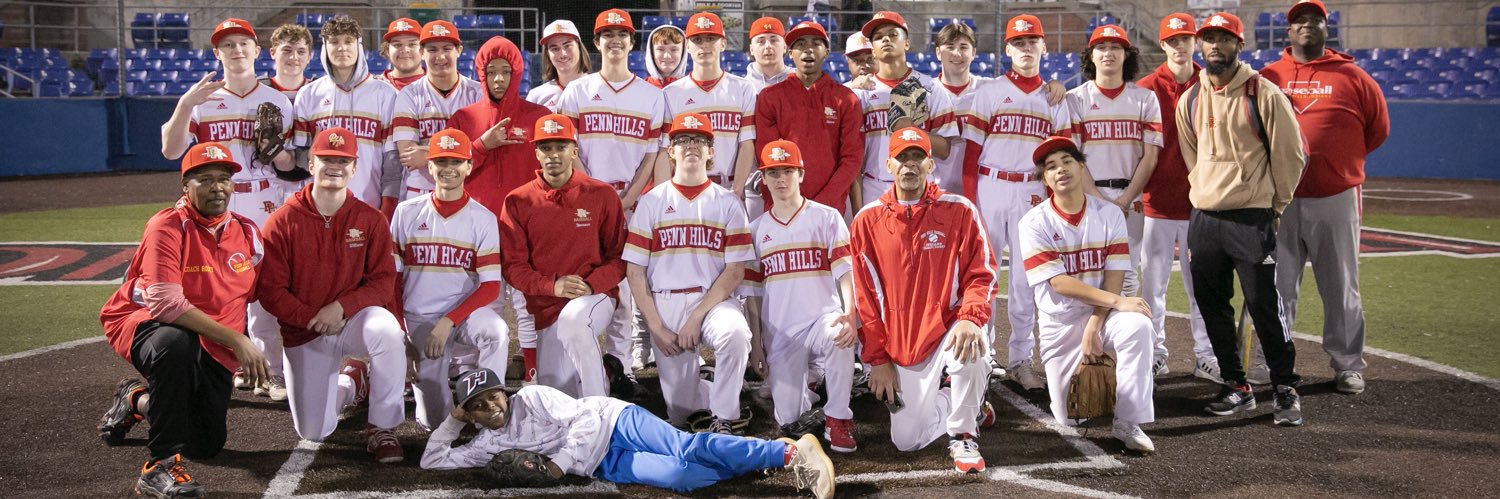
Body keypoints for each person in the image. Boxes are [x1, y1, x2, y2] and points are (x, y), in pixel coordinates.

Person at [97, 142, 270, 498]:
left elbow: (262, 292)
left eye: (223, 179)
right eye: (205, 180)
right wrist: (238, 340)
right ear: (185, 186)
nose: (217, 187)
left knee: (205, 444)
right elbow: (166, 304)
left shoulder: (247, 232)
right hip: (146, 322)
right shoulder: (167, 226)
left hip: (214, 343)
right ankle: (159, 467)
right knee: (176, 344)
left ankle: (136, 399)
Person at [1174, 12, 1307, 426]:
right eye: (1209, 38)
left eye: (1224, 38)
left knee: (1264, 304)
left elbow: (1291, 156)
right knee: (1212, 305)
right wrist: (1206, 189)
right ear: (1201, 45)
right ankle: (1236, 385)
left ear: (1239, 44)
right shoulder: (1190, 99)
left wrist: (1275, 206)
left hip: (1251, 218)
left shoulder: (1264, 94)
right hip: (1205, 219)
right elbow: (1192, 156)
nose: (1215, 45)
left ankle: (1284, 387)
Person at [420, 368, 836, 498]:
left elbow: (584, 422)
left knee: (686, 447)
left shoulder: (532, 397)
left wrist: (559, 464)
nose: (491, 407)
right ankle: (745, 460)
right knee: (684, 477)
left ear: (504, 393)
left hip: (613, 420)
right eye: (478, 406)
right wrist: (454, 420)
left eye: (493, 396)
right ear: (471, 414)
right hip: (602, 463)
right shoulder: (484, 443)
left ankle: (787, 453)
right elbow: (432, 460)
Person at [158, 18, 294, 402]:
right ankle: (223, 368)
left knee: (265, 287)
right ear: (217, 53)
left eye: (243, 43)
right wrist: (186, 104)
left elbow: (288, 163)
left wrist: (277, 151)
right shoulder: (203, 100)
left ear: (256, 51)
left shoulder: (278, 101)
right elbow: (170, 149)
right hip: (218, 203)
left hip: (264, 198)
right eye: (228, 45)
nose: (237, 50)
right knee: (216, 286)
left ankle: (271, 371)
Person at [1261, 0, 1389, 395]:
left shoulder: (1354, 77)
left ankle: (1348, 365)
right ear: (1288, 30)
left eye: (1314, 19)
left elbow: (1377, 130)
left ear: (1326, 27)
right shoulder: (1268, 76)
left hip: (1335, 196)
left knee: (1341, 286)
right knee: (1276, 287)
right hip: (1279, 199)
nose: (1306, 25)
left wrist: (1337, 163)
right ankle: (1273, 364)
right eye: (1299, 20)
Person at [851, 127, 997, 473]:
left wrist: (969, 318)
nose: (910, 164)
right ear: (889, 165)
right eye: (902, 157)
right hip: (902, 343)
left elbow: (982, 273)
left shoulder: (959, 210)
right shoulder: (866, 221)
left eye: (918, 156)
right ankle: (966, 401)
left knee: (972, 347)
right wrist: (877, 359)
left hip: (949, 327)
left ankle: (963, 434)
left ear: (931, 164)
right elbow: (865, 299)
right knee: (907, 439)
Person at [257, 127, 409, 461]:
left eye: (343, 161)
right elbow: (271, 292)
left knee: (387, 330)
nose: (334, 167)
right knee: (314, 431)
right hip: (305, 329)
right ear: (311, 164)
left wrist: (341, 307)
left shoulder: (370, 219)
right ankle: (352, 383)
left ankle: (383, 427)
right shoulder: (281, 222)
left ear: (354, 168)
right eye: (326, 159)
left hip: (353, 321)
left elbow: (383, 282)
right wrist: (312, 318)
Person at [1019, 136, 1158, 454]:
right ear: (1045, 180)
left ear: (1082, 168)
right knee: (1069, 418)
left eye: (1067, 161)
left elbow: (1115, 277)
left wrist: (1095, 325)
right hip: (1061, 322)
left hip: (1102, 313)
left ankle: (1128, 420)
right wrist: (1117, 302)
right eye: (1051, 167)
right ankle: (1100, 385)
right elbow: (1060, 283)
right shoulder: (1033, 222)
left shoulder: (1109, 214)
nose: (1061, 169)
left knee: (1138, 325)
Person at [962, 14, 1075, 393]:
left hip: (1032, 190)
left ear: (1044, 47)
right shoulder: (990, 91)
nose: (1026, 49)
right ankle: (983, 354)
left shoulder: (1055, 98)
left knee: (1027, 281)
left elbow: (1062, 160)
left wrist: (1055, 203)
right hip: (990, 184)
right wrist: (970, 203)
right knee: (984, 275)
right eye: (1019, 43)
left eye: (1032, 42)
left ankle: (1021, 359)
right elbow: (970, 153)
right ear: (1008, 49)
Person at [555, 8, 670, 380]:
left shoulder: (651, 96)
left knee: (625, 281)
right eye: (608, 34)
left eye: (622, 34)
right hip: (585, 199)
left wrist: (630, 197)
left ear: (632, 42)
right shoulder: (578, 90)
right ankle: (579, 364)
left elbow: (652, 154)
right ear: (596, 42)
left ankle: (620, 365)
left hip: (630, 201)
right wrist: (597, 193)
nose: (615, 40)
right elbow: (568, 149)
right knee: (582, 277)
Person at [624, 112, 755, 433]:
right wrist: (656, 327)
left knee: (736, 334)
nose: (691, 145)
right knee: (682, 415)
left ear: (711, 151)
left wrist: (696, 316)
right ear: (671, 151)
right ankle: (709, 385)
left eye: (699, 140)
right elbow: (635, 271)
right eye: (683, 140)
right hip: (665, 304)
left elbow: (735, 271)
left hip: (713, 301)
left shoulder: (728, 202)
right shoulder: (651, 201)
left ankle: (725, 417)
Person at [498, 114, 628, 398]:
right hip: (547, 305)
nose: (553, 154)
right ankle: (607, 372)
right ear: (536, 153)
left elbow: (619, 258)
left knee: (575, 320)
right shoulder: (517, 201)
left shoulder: (602, 194)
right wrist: (552, 286)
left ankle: (598, 407)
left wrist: (590, 284)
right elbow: (513, 267)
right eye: (546, 148)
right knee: (558, 396)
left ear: (574, 150)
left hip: (595, 296)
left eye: (561, 146)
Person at [742, 140, 859, 452]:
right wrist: (757, 343)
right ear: (763, 178)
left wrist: (851, 315)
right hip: (780, 332)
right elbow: (752, 293)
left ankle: (838, 417)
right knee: (790, 423)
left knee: (840, 334)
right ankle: (810, 388)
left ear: (801, 174)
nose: (781, 179)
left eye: (788, 171)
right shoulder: (755, 230)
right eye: (773, 172)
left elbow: (845, 273)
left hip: (821, 318)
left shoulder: (827, 217)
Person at [390, 128, 510, 430]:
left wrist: (449, 320)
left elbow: (490, 286)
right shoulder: (405, 213)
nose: (448, 169)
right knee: (436, 422)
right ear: (429, 166)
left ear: (469, 166)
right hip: (419, 319)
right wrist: (401, 336)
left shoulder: (483, 218)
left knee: (496, 331)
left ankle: (490, 413)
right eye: (441, 162)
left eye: (456, 162)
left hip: (464, 315)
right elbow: (391, 280)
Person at [1066, 25, 1163, 336]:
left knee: (1128, 273)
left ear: (1126, 55)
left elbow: (1150, 158)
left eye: (1116, 47)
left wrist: (1123, 199)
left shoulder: (1145, 99)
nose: (1108, 53)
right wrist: (1098, 199)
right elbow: (1073, 158)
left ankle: (1128, 340)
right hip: (1089, 196)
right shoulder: (1075, 99)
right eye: (1101, 47)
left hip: (1130, 198)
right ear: (1091, 56)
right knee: (1089, 271)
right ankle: (1088, 343)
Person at [1136, 13, 1218, 383]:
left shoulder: (1212, 83)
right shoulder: (1146, 88)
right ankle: (1156, 354)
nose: (1179, 46)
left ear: (1194, 42)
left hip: (1200, 203)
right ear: (1162, 45)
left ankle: (1206, 355)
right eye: (1173, 40)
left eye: (1185, 39)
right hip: (1156, 202)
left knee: (1200, 286)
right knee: (1153, 288)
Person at [846, 11, 958, 208]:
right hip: (875, 185)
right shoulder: (860, 92)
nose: (886, 39)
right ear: (873, 50)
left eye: (892, 34)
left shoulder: (930, 87)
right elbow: (852, 157)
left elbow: (945, 150)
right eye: (878, 37)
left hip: (921, 184)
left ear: (906, 43)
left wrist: (911, 131)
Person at [292, 15, 400, 215]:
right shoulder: (308, 94)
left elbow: (392, 160)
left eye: (348, 41)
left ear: (359, 46)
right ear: (325, 47)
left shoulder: (385, 93)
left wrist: (387, 207)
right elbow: (298, 158)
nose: (342, 48)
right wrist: (310, 153)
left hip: (369, 205)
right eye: (334, 42)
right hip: (319, 207)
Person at [755, 20, 864, 218]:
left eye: (816, 43)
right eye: (800, 44)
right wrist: (788, 202)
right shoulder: (769, 97)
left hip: (829, 211)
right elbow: (767, 155)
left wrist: (823, 204)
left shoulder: (846, 99)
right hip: (782, 207)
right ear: (790, 53)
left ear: (827, 52)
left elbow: (851, 159)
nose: (808, 49)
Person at [660, 12, 758, 197]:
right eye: (697, 39)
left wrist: (737, 190)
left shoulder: (743, 88)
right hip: (684, 188)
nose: (704, 45)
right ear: (687, 46)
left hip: (729, 186)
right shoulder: (670, 93)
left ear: (723, 44)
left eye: (711, 38)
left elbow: (747, 144)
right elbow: (666, 150)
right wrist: (666, 194)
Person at [391, 20, 486, 201]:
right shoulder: (409, 94)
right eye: (432, 50)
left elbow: (485, 149)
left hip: (467, 190)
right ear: (422, 52)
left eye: (446, 49)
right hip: (420, 191)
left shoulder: (478, 93)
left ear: (459, 50)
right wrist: (463, 152)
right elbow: (409, 155)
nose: (440, 56)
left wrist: (426, 153)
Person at [931, 21, 987, 196]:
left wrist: (1053, 86)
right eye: (950, 47)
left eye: (963, 47)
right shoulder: (924, 93)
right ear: (938, 53)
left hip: (980, 188)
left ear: (974, 53)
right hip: (937, 190)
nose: (957, 53)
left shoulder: (990, 90)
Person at [526, 20, 592, 109]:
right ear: (548, 54)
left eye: (567, 46)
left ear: (579, 47)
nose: (563, 54)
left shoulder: (600, 88)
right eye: (555, 49)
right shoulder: (536, 96)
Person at [263, 24, 313, 102]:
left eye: (301, 52)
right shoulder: (258, 91)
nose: (294, 57)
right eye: (287, 50)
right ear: (273, 53)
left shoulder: (320, 92)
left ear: (309, 57)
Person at [376, 18, 426, 91]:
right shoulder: (373, 87)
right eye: (397, 45)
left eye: (412, 44)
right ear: (387, 51)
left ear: (424, 51)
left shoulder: (438, 85)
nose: (405, 50)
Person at [744, 17, 794, 90]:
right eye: (761, 41)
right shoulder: (743, 87)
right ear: (751, 49)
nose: (768, 46)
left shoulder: (801, 80)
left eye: (773, 40)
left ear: (784, 46)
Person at [644, 21, 687, 88]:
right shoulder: (641, 88)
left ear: (683, 52)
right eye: (660, 49)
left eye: (674, 50)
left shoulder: (691, 89)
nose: (667, 56)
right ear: (651, 52)